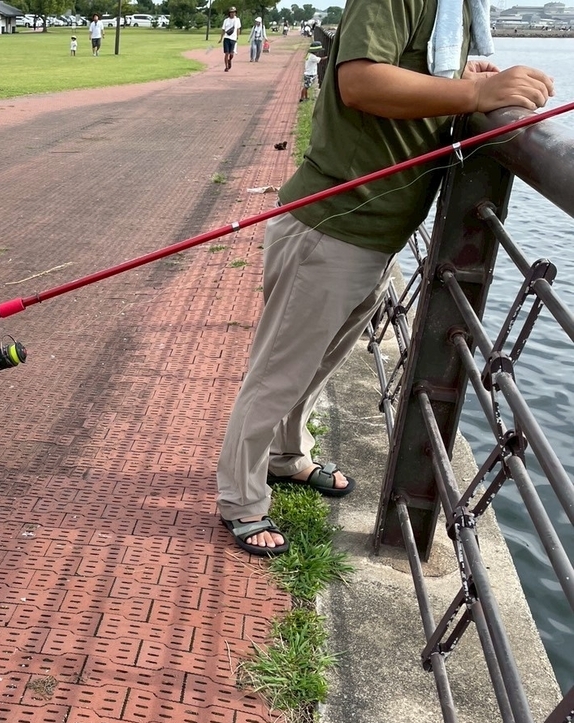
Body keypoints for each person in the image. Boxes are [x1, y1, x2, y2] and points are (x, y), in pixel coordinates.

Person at [215, 0, 554, 555]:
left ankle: (284, 456)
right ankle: (240, 501)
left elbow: (404, 71)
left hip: (372, 233)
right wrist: (473, 97)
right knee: (279, 373)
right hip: (330, 230)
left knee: (316, 362)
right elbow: (360, 81)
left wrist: (462, 79)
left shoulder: (454, 9)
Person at [219, 7, 241, 71]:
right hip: (226, 38)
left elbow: (238, 29)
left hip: (233, 38)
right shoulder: (226, 20)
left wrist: (237, 36)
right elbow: (223, 30)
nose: (232, 13)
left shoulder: (237, 20)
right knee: (226, 53)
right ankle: (226, 67)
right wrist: (221, 38)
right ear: (229, 13)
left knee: (231, 54)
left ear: (235, 13)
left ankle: (229, 60)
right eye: (231, 12)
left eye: (234, 12)